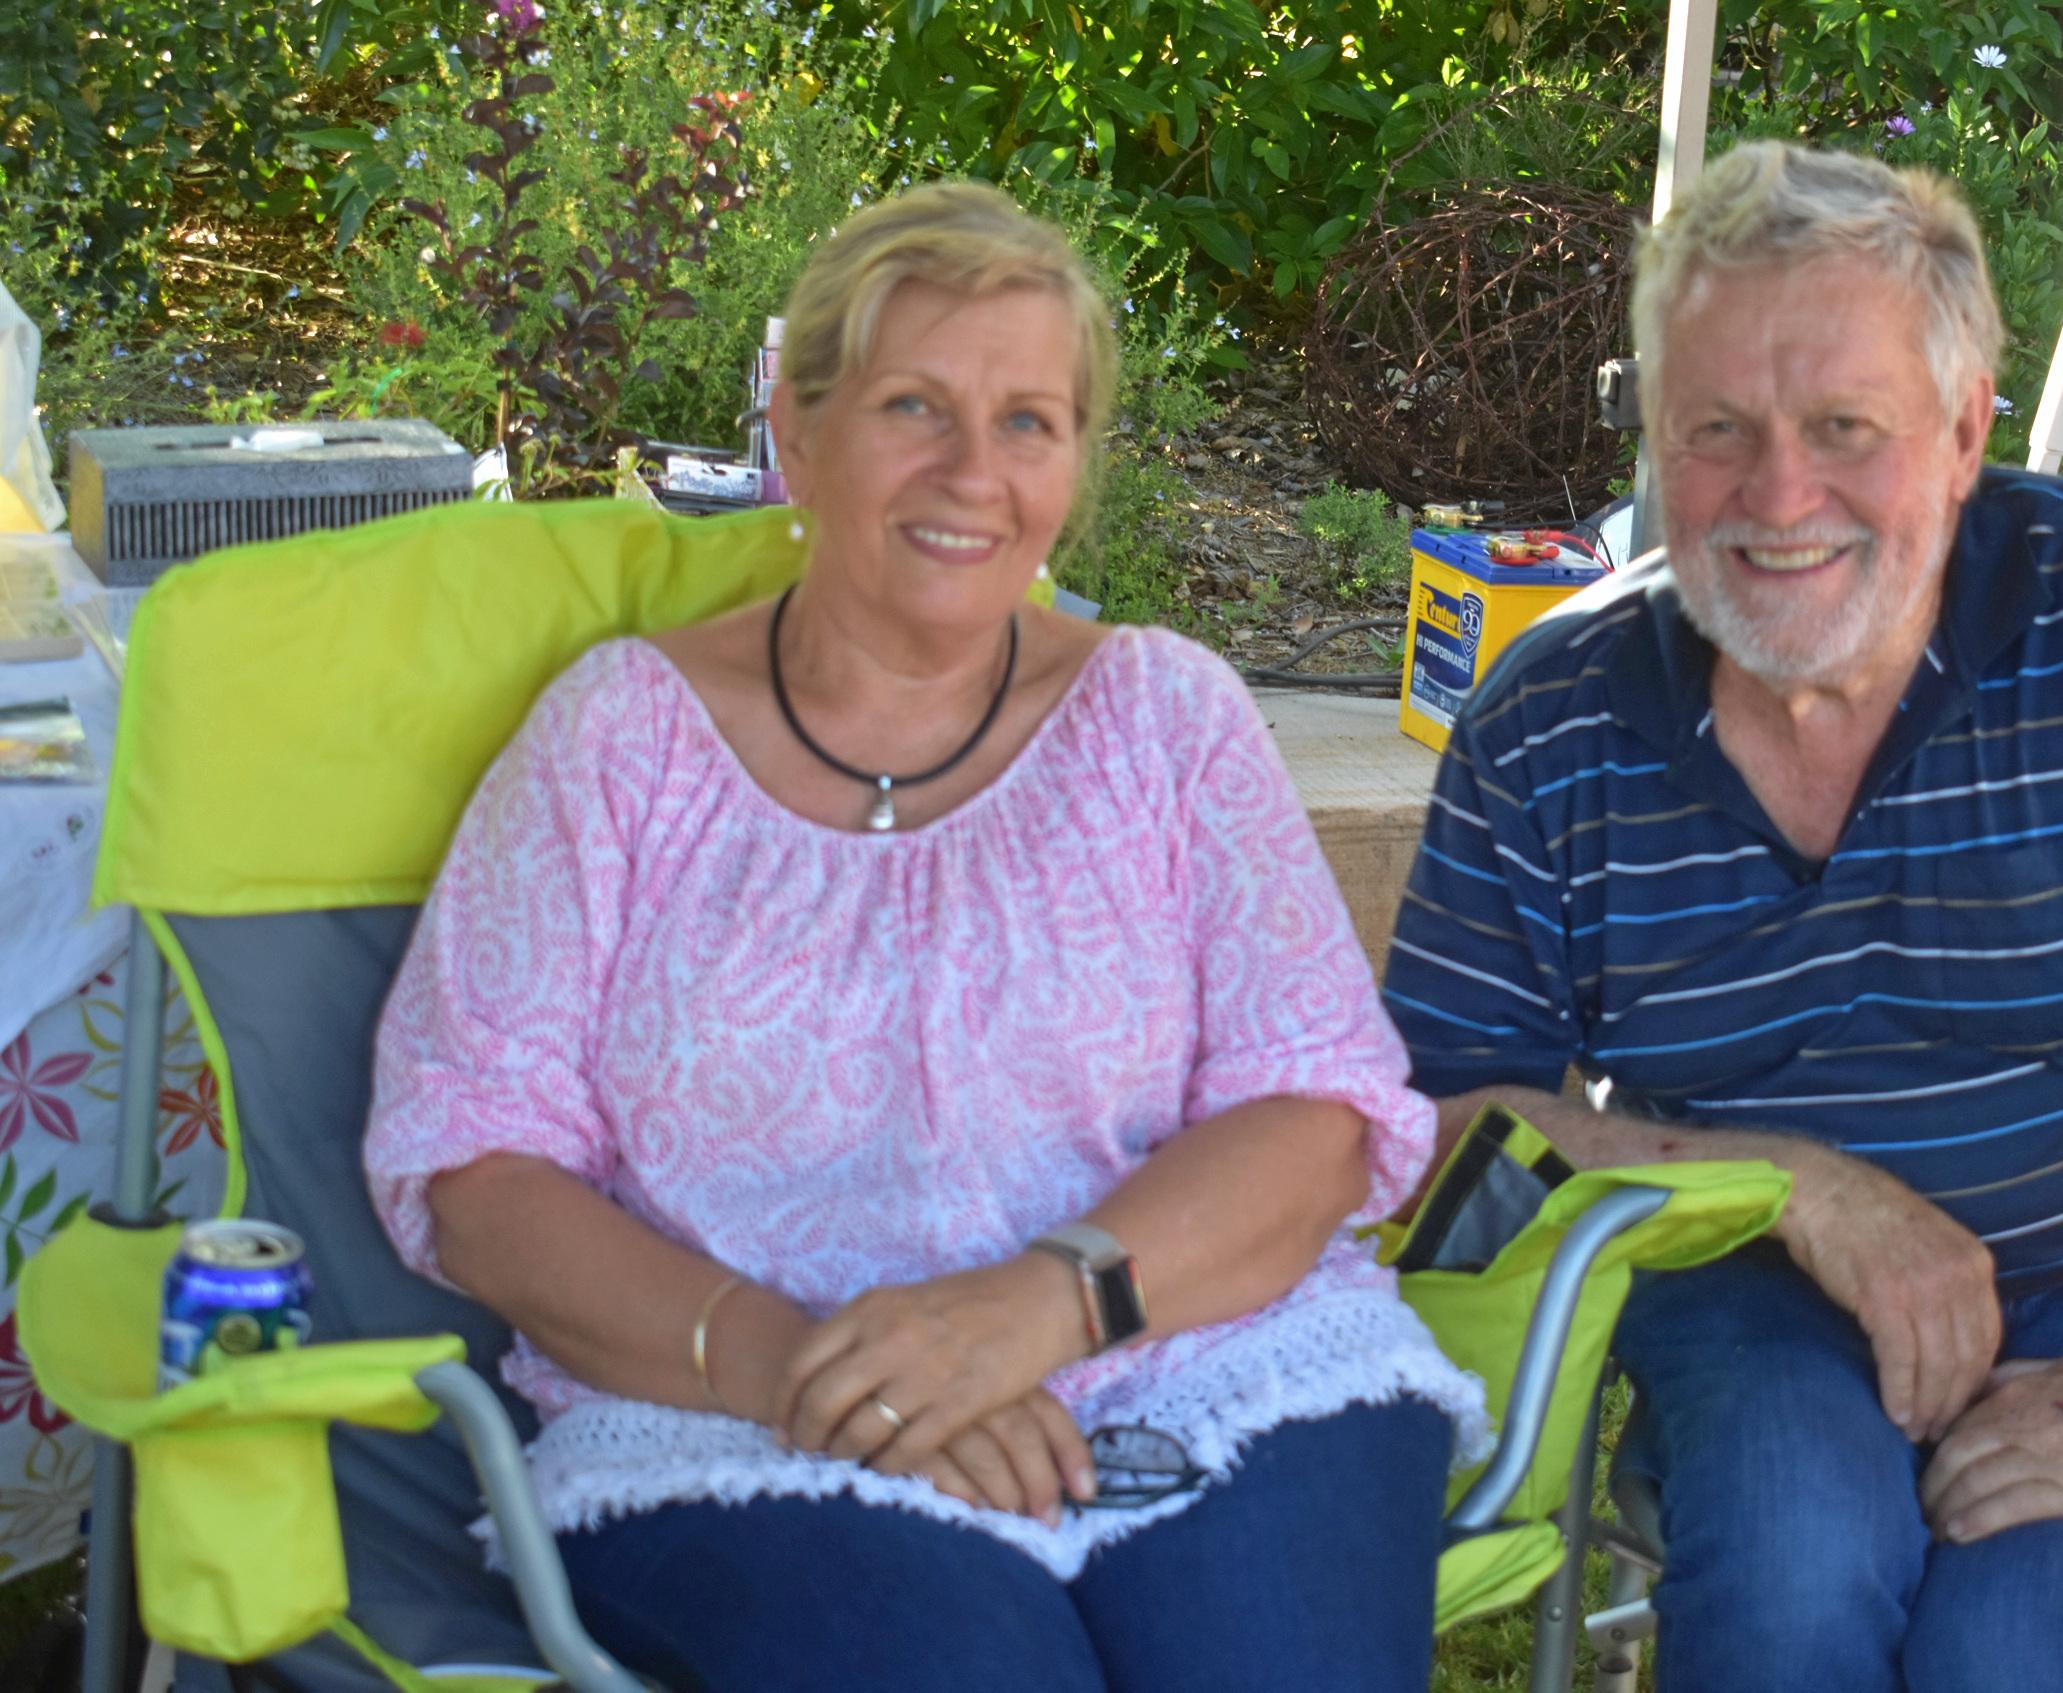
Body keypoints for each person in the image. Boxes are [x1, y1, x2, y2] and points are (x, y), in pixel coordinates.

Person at [363, 181, 1486, 1693]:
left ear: (1077, 463)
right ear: (798, 426)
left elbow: (1314, 1111)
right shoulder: (619, 741)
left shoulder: (1163, 716)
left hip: (1199, 1358)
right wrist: (828, 1376)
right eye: (915, 405)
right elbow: (477, 1164)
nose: (974, 470)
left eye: (1029, 420)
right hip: (734, 1413)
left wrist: (1033, 1309)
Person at [1380, 140, 2063, 1692]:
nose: (1777, 495)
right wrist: (1793, 1184)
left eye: (1843, 427)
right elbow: (1434, 1129)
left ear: (1962, 431)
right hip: (1753, 1265)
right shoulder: (1551, 720)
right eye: (1716, 431)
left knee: (2016, 1654)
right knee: (1788, 1586)